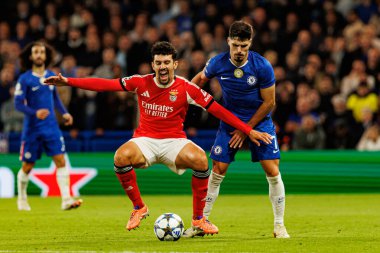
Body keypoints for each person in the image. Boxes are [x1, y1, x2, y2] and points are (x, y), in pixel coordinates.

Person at [44, 41, 272, 235]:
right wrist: (70, 81)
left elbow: (218, 110)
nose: (162, 67)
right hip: (145, 141)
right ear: (153, 65)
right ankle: (139, 207)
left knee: (202, 160)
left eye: (166, 62)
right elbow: (105, 85)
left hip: (175, 141)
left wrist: (248, 130)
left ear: (175, 64)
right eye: (158, 63)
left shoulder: (187, 88)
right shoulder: (140, 82)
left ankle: (198, 219)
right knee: (120, 157)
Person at [189, 21, 290, 238]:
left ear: (250, 43)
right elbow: (200, 79)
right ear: (228, 42)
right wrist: (186, 96)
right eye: (235, 45)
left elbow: (269, 103)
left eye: (244, 46)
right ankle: (200, 222)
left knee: (272, 170)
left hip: (259, 122)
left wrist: (246, 129)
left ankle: (279, 225)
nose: (239, 51)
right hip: (230, 121)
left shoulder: (262, 66)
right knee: (218, 168)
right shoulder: (218, 62)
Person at [14, 41, 83, 211]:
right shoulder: (24, 79)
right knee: (28, 166)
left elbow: (55, 100)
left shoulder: (51, 75)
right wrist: (34, 112)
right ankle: (22, 198)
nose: (39, 55)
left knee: (60, 160)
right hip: (32, 129)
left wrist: (65, 113)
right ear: (30, 56)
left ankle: (66, 199)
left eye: (42, 52)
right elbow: (18, 104)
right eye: (36, 52)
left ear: (46, 56)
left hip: (51, 127)